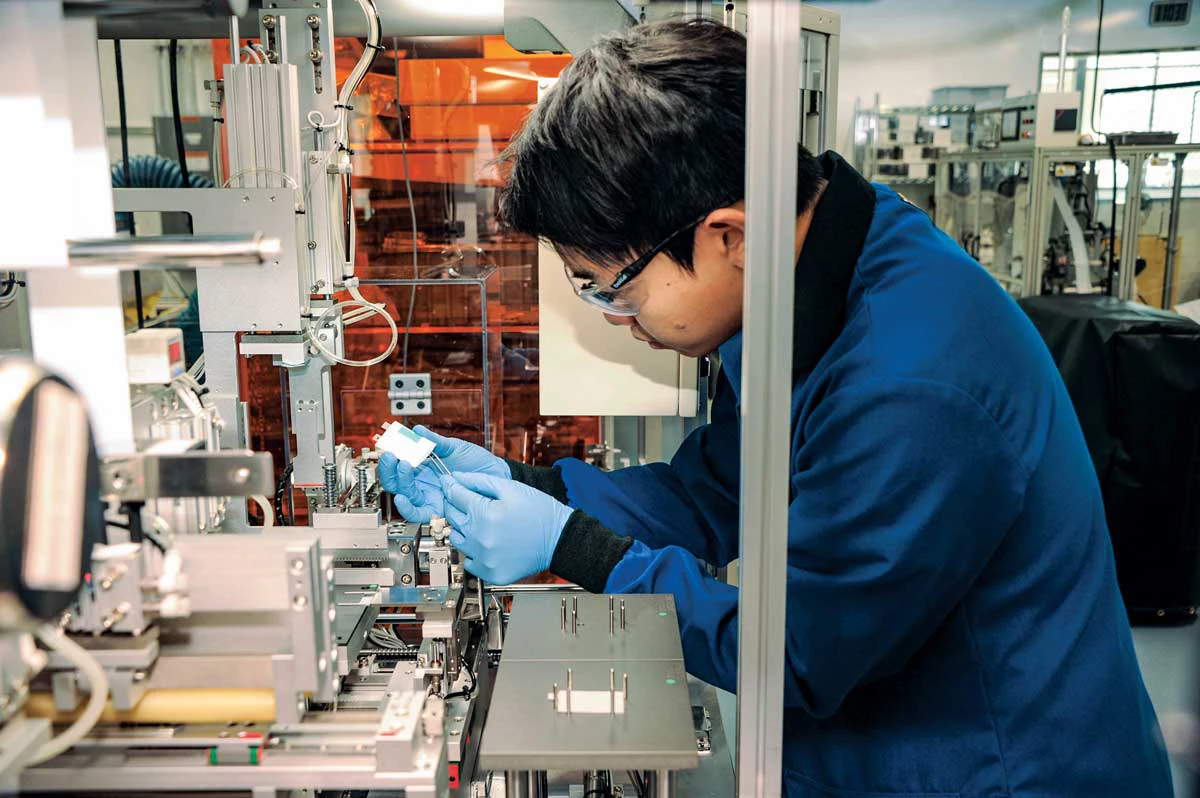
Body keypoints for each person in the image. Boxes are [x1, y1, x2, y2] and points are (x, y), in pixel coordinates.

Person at [378, 19, 1173, 798]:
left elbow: (800, 652)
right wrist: (531, 488)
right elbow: (721, 489)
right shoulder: (802, 281)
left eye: (610, 286)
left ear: (729, 234)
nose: (608, 315)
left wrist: (578, 549)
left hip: (997, 768)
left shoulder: (910, 383)